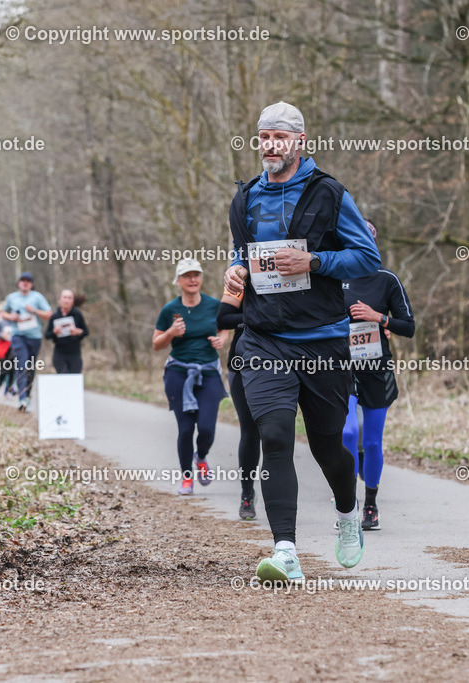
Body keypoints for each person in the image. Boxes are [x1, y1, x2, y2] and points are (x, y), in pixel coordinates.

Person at [224, 101, 380, 582]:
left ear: (300, 141)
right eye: (264, 137)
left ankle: (348, 512)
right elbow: (243, 253)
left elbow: (367, 258)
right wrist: (235, 270)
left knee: (327, 445)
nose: (271, 145)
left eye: (280, 137)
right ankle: (286, 551)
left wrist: (314, 262)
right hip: (264, 339)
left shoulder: (329, 193)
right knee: (273, 436)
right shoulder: (245, 197)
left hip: (323, 341)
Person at [341, 220, 415, 531]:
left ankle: (370, 504)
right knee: (347, 433)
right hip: (341, 367)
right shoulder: (335, 277)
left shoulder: (387, 280)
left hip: (376, 368)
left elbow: (408, 327)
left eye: (366, 238)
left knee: (372, 442)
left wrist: (379, 318)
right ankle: (348, 504)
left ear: (373, 243)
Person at [153, 258, 227, 495]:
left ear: (201, 278)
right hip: (178, 373)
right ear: (178, 281)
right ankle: (187, 478)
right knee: (185, 429)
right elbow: (156, 344)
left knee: (206, 428)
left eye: (196, 275)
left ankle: (201, 457)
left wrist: (221, 340)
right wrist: (171, 332)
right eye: (187, 276)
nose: (192, 279)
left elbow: (225, 328)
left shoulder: (214, 305)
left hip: (208, 372)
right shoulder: (170, 309)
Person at [216, 287, 261, 520]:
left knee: (277, 432)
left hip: (282, 365)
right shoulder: (242, 276)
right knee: (250, 430)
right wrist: (257, 315)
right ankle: (247, 493)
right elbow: (223, 318)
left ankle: (280, 498)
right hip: (241, 364)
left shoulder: (296, 275)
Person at [2, 272, 52, 411]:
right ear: (18, 283)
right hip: (18, 336)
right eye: (23, 280)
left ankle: (27, 396)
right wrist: (11, 317)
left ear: (32, 284)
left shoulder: (37, 297)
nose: (25, 283)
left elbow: (49, 314)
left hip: (34, 337)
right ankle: (22, 399)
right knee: (21, 365)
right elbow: (3, 313)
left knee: (30, 367)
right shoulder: (12, 297)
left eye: (28, 281)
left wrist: (34, 311)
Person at [45, 290, 89, 373]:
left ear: (73, 301)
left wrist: (78, 331)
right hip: (59, 353)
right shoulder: (55, 316)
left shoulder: (77, 314)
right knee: (63, 377)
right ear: (60, 300)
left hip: (75, 352)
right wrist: (54, 332)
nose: (67, 300)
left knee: (74, 378)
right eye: (64, 297)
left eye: (69, 298)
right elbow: (47, 335)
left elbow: (86, 332)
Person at [0, 309, 17, 396]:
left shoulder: (16, 323)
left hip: (14, 349)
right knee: (3, 370)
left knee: (12, 371)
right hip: (4, 350)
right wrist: (1, 335)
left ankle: (8, 389)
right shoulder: (2, 322)